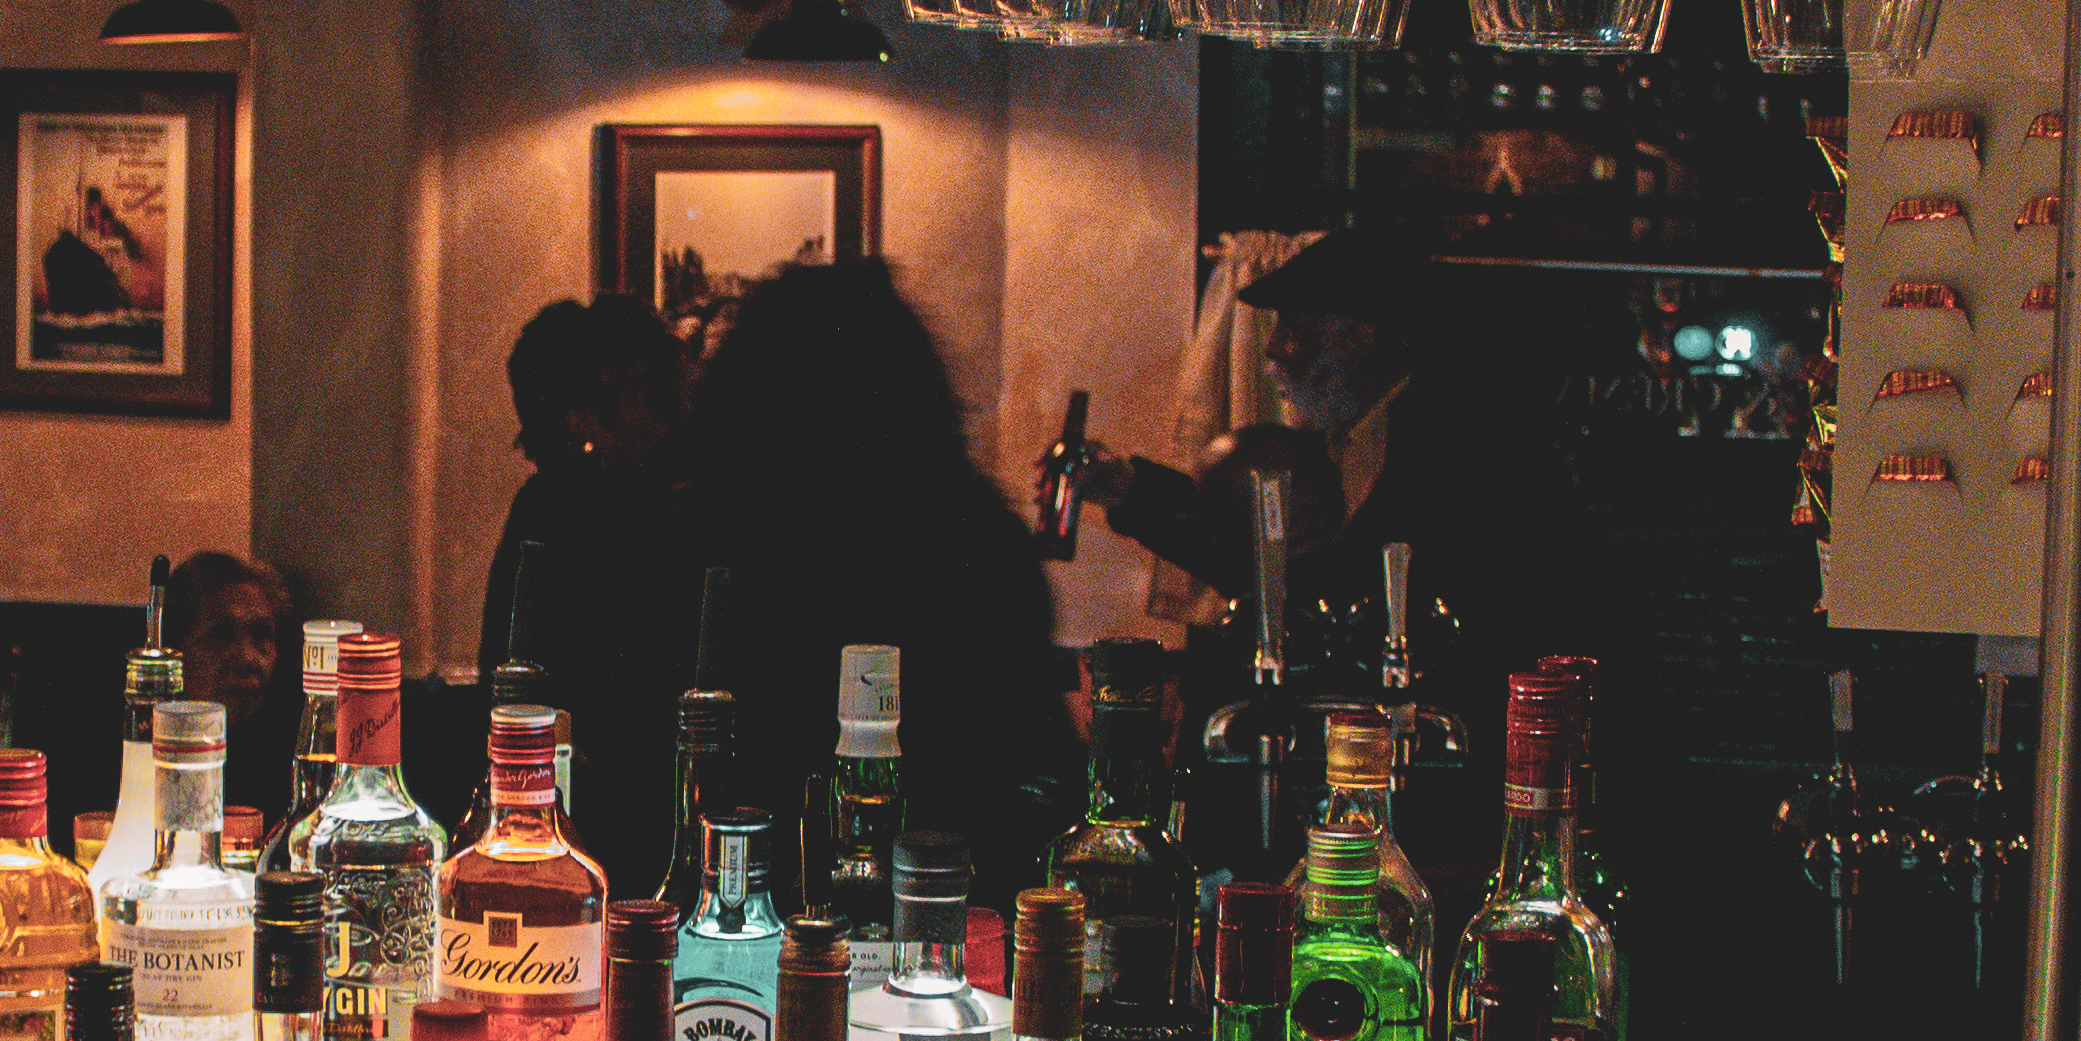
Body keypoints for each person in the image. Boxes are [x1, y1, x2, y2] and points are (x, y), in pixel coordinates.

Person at [670, 258, 1073, 893]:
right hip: (948, 903)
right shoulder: (976, 540)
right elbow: (1023, 764)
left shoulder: (715, 545)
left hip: (749, 899)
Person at [1070, 214, 1598, 685]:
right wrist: (1130, 489)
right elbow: (1287, 567)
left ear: (1364, 333)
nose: (1274, 351)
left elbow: (1325, 589)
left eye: (1297, 326)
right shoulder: (1356, 440)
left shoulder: (1459, 449)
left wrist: (1139, 496)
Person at [482, 299, 693, 870]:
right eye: (652, 399)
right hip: (592, 807)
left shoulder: (650, 509)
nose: (672, 418)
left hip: (598, 799)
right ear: (587, 417)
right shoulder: (570, 511)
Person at [162, 550, 298, 741]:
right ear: (175, 650)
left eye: (261, 635)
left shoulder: (293, 742)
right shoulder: (134, 750)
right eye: (220, 636)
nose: (247, 658)